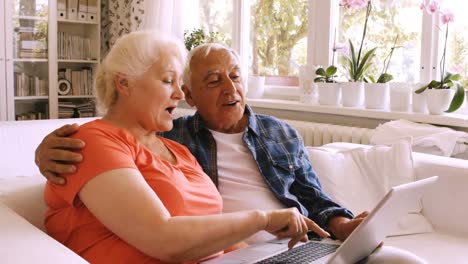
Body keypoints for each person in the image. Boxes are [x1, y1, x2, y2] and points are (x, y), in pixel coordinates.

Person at [37, 42, 426, 263]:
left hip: (279, 248)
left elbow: (311, 195)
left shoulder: (188, 149)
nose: (231, 89)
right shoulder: (180, 135)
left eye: (235, 76)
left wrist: (340, 226)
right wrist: (42, 152)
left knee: (404, 261)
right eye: (212, 81)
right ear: (191, 96)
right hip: (246, 245)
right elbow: (157, 227)